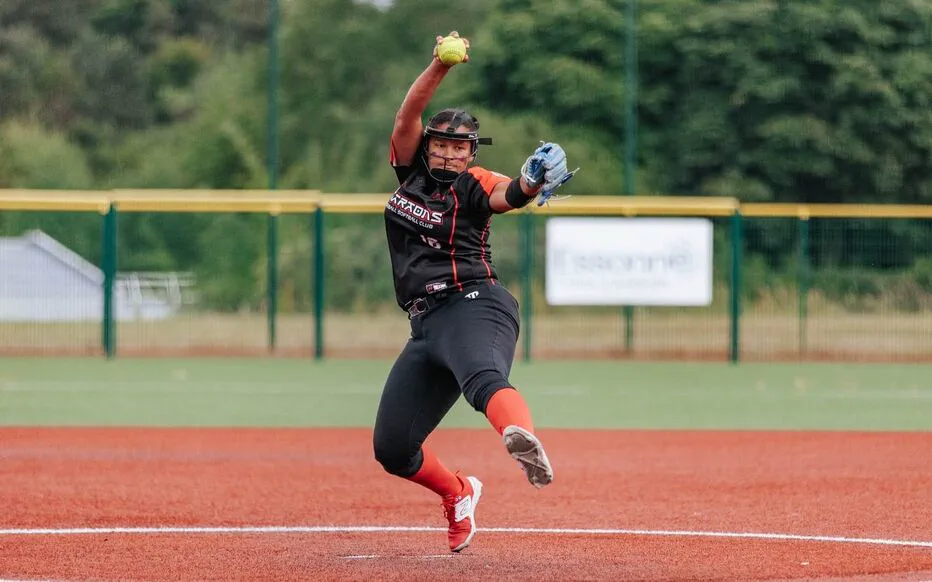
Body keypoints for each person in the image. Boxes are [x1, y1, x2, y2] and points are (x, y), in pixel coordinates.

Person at [372, 31, 575, 554]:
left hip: (475, 303)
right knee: (393, 448)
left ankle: (522, 438)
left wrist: (531, 182)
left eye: (459, 145)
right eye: (440, 142)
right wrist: (439, 63)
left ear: (470, 152)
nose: (448, 151)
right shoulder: (408, 172)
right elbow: (406, 115)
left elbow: (510, 194)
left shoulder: (474, 181)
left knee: (483, 379)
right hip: (426, 323)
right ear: (428, 146)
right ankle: (459, 492)